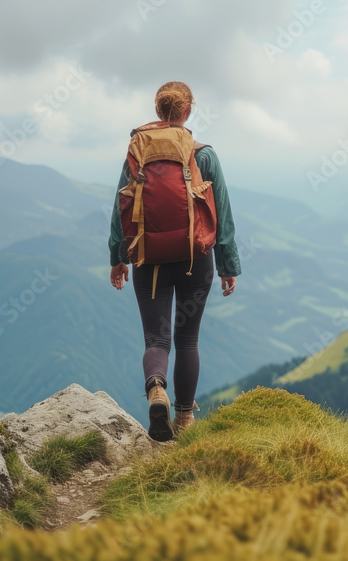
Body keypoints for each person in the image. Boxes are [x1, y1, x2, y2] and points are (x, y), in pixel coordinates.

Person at [107, 81, 242, 442]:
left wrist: (118, 258)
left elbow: (121, 207)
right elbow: (222, 214)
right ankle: (184, 420)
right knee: (188, 341)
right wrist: (228, 265)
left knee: (157, 339)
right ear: (188, 111)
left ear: (157, 111)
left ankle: (155, 389)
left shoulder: (138, 153)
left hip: (148, 259)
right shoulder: (205, 156)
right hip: (194, 259)